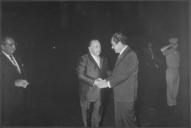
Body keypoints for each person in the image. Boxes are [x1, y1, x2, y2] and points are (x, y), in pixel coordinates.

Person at [94, 32, 139, 127]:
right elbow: (116, 74)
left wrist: (107, 84)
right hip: (119, 95)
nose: (112, 47)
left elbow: (124, 75)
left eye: (113, 45)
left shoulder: (131, 55)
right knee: (119, 123)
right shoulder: (122, 55)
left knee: (129, 123)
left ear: (119, 43)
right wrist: (104, 80)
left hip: (126, 97)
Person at [76, 39, 108, 127]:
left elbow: (106, 72)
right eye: (96, 47)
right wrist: (94, 81)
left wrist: (114, 76)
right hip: (87, 93)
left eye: (100, 46)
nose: (99, 48)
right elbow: (80, 75)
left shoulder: (104, 59)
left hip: (100, 93)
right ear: (89, 49)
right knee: (86, 118)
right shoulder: (83, 58)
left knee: (97, 116)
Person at [1, 37, 29, 126]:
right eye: (10, 45)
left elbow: (21, 73)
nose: (14, 47)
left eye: (15, 44)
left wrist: (25, 80)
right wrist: (13, 83)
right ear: (2, 46)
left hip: (20, 100)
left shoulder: (17, 57)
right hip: (6, 103)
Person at [161, 37, 180, 107]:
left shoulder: (178, 52)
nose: (177, 45)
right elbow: (161, 50)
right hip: (170, 70)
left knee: (176, 87)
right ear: (173, 44)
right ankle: (170, 103)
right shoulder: (168, 51)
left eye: (177, 44)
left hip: (177, 70)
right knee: (170, 88)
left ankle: (174, 102)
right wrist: (170, 46)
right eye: (175, 44)